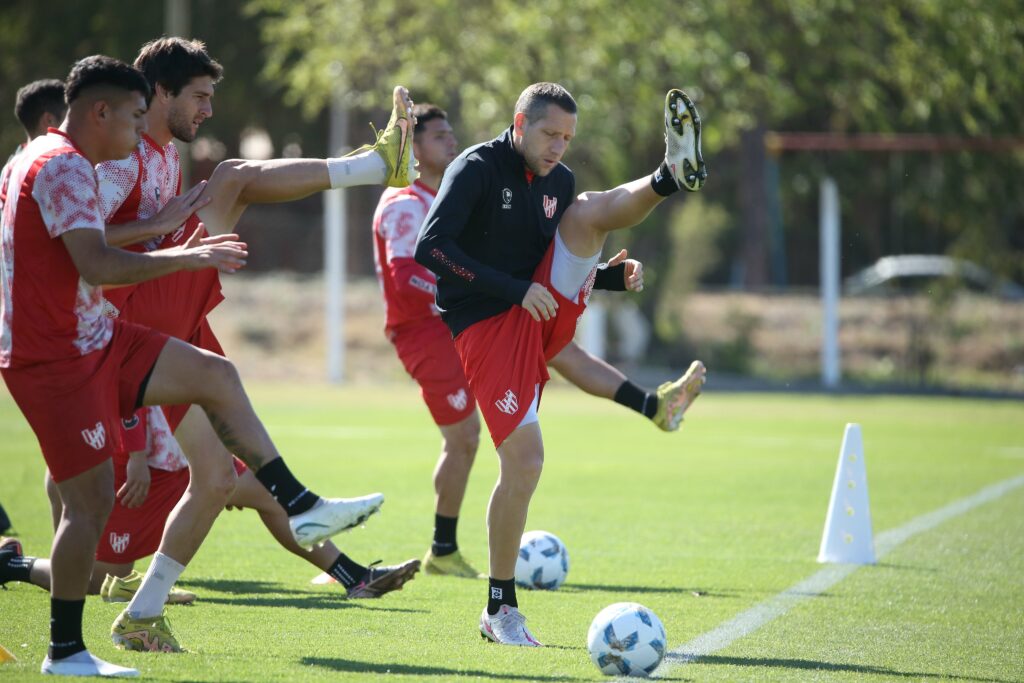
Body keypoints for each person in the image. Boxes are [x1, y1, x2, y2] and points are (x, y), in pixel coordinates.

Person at [0, 55, 377, 678]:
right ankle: (64, 650)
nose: (138, 129)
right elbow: (96, 264)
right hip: (58, 356)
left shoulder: (37, 158)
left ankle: (300, 502)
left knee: (215, 375)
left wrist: (164, 231)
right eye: (133, 115)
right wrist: (186, 253)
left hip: (97, 334)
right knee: (87, 507)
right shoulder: (64, 167)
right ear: (102, 112)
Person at [79, 37, 417, 653]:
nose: (207, 110)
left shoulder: (157, 154)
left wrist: (165, 238)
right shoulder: (125, 160)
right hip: (135, 320)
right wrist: (161, 233)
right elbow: (79, 246)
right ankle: (375, 163)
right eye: (200, 97)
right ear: (161, 93)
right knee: (233, 177)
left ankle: (140, 615)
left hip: (168, 322)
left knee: (212, 479)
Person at [359, 103, 706, 584]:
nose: (451, 142)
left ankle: (667, 179)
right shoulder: (414, 199)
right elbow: (415, 269)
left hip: (505, 309)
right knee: (465, 440)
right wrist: (506, 289)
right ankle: (445, 549)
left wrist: (603, 278)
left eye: (567, 137)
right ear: (413, 147)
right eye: (439, 137)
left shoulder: (548, 180)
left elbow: (536, 255)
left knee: (568, 315)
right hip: (434, 330)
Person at [0, 78, 68, 538]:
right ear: (50, 122)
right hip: (35, 325)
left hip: (22, 321)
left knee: (63, 451)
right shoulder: (39, 169)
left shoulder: (15, 167)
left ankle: (74, 544)